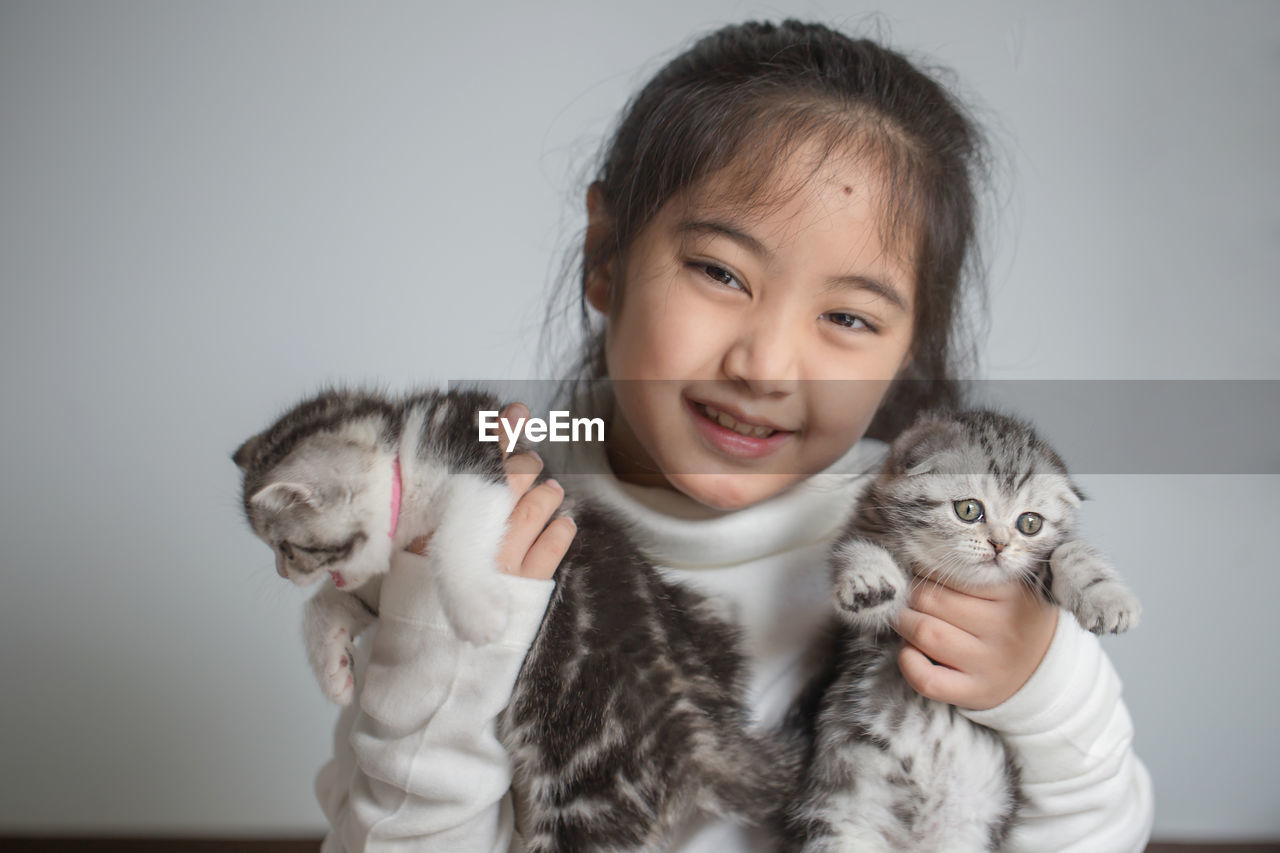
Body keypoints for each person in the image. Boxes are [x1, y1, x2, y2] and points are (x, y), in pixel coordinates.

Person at [315, 20, 1154, 852]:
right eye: (721, 272)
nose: (766, 364)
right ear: (605, 254)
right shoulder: (488, 521)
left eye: (849, 317)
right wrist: (437, 653)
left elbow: (1094, 831)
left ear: (908, 352)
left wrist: (1044, 688)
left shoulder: (945, 545)